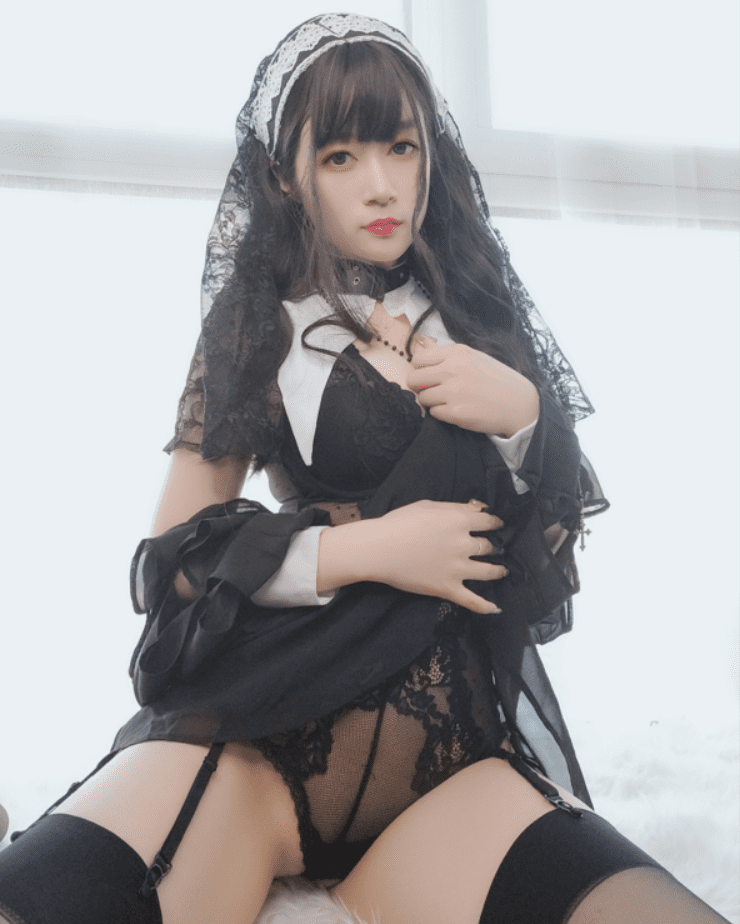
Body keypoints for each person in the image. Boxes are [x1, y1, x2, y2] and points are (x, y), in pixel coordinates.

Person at [0, 13, 730, 924]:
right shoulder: (258, 325)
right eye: (340, 155)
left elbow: (546, 566)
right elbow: (170, 566)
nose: (381, 184)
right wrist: (368, 550)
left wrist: (526, 420)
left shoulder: (477, 312)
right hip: (257, 753)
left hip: (450, 775)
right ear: (285, 176)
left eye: (400, 147)